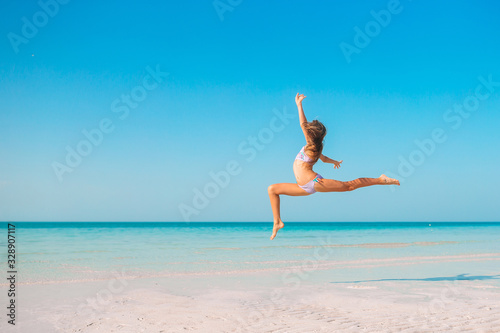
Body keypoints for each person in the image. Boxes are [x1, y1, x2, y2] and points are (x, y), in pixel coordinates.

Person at [268, 93, 400, 240]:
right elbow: (323, 159)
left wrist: (299, 105)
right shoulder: (314, 148)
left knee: (349, 186)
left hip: (314, 183)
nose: (307, 129)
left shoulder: (312, 145)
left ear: (312, 134)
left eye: (309, 130)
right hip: (302, 187)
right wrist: (335, 162)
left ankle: (381, 179)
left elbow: (302, 124)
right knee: (272, 189)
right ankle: (277, 221)